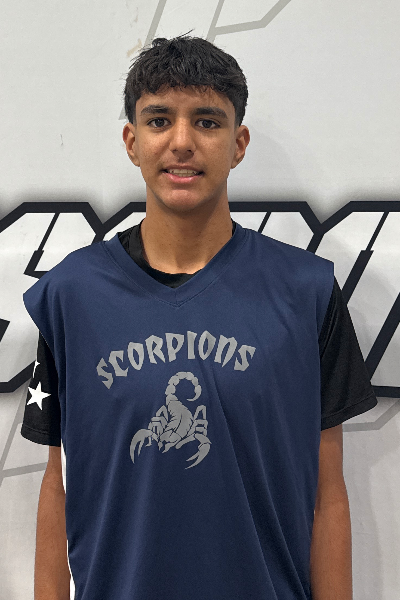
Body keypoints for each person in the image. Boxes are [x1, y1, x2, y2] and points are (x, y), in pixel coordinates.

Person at [21, 34, 377, 600]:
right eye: (159, 120)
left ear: (238, 144)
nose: (182, 142)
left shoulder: (306, 292)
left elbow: (327, 497)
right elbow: (58, 486)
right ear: (132, 141)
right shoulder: (71, 295)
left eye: (207, 122)